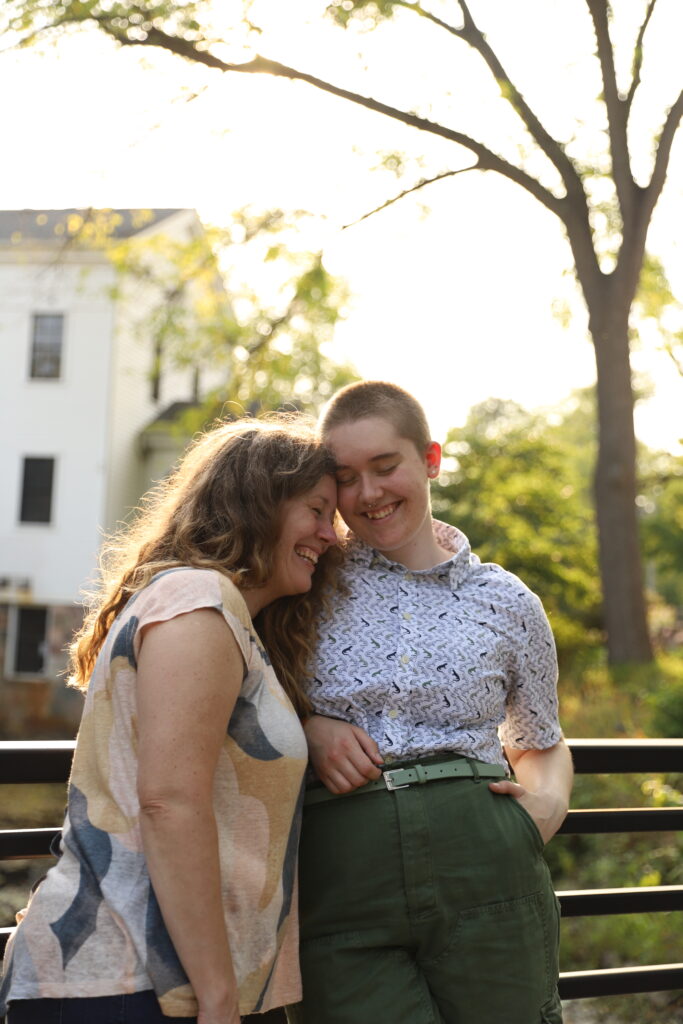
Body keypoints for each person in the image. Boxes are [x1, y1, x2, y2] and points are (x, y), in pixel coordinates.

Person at [0, 416, 339, 1024]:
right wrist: (216, 997)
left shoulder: (213, 612)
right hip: (130, 986)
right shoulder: (199, 605)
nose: (331, 534)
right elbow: (168, 803)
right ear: (260, 503)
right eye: (317, 510)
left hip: (134, 985)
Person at [288, 381, 573, 1024]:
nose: (368, 494)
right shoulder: (306, 580)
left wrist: (544, 807)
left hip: (490, 868)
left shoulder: (510, 602)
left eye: (386, 467)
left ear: (431, 460)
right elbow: (243, 687)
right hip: (341, 880)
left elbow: (540, 738)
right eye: (346, 477)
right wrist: (307, 727)